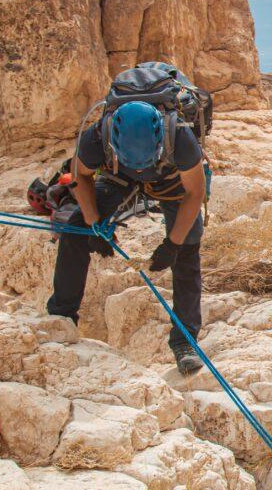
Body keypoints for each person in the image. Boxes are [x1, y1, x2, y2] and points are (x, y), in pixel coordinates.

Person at [47, 99, 206, 374]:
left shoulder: (180, 137)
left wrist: (173, 244)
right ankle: (61, 316)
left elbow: (195, 193)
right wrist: (93, 223)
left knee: (188, 251)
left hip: (169, 179)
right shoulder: (97, 136)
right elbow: (79, 176)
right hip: (119, 173)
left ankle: (185, 343)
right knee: (74, 232)